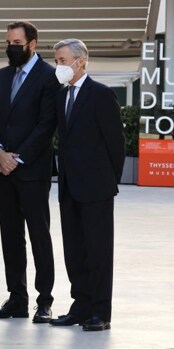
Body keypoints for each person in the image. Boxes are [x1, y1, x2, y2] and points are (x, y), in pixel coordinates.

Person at [0, 21, 60, 323]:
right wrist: (0, 153)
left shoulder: (49, 76)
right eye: (8, 41)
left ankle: (44, 301)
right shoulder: (2, 76)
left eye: (16, 42)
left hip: (33, 171)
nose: (11, 47)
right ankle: (17, 299)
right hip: (3, 171)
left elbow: (47, 124)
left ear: (32, 44)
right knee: (10, 236)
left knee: (39, 235)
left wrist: (19, 158)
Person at [49, 39, 125, 331]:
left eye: (63, 60)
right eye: (57, 61)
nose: (59, 66)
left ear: (81, 61)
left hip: (97, 188)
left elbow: (115, 143)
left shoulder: (101, 95)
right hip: (69, 187)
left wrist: (108, 182)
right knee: (75, 251)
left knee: (98, 251)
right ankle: (80, 306)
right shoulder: (61, 96)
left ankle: (100, 313)